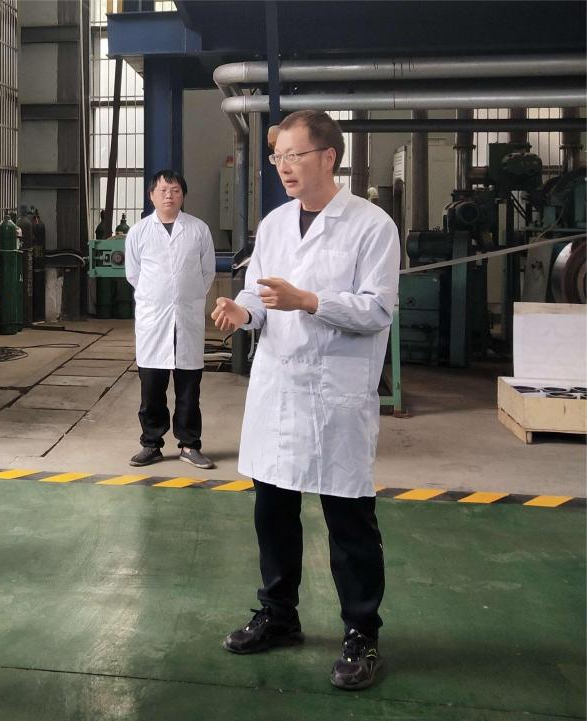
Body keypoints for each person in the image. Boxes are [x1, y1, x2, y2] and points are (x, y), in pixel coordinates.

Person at [212, 110, 400, 691]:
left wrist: (310, 301)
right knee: (272, 510)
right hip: (279, 389)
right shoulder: (274, 224)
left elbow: (377, 310)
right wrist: (243, 311)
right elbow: (260, 293)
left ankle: (362, 633)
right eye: (278, 158)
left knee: (348, 519)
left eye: (294, 155)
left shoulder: (371, 225)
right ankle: (279, 615)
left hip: (335, 392)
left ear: (328, 157)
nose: (284, 168)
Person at [124, 170, 216, 470]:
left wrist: (185, 297)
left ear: (183, 195)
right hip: (153, 320)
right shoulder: (139, 232)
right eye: (163, 190)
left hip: (186, 318)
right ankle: (151, 444)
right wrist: (160, 296)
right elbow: (134, 274)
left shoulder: (198, 229)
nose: (169, 196)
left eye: (175, 190)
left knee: (189, 386)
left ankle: (190, 444)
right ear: (151, 195)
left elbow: (207, 272)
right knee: (152, 386)